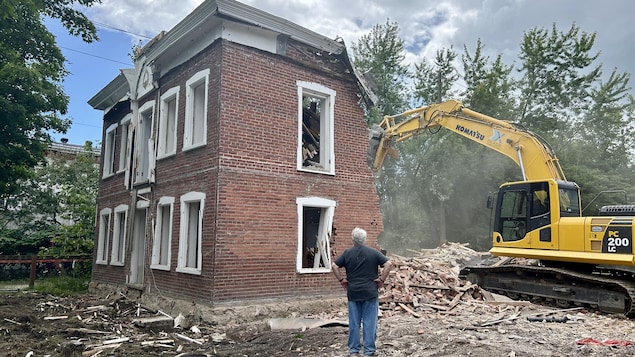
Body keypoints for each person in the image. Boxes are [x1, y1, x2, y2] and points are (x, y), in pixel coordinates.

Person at [331, 227, 393, 356]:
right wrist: (381, 279)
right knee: (369, 323)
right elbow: (388, 264)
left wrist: (342, 280)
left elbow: (334, 266)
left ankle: (354, 351)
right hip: (370, 292)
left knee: (354, 323)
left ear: (352, 239)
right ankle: (369, 351)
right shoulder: (373, 253)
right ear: (364, 239)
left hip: (353, 293)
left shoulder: (347, 253)